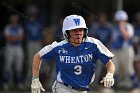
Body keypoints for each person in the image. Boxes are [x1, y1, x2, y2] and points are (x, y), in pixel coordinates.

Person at [31, 15, 115, 93]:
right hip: (63, 88)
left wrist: (110, 74)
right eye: (74, 30)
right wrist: (35, 79)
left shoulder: (94, 44)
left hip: (83, 89)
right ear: (66, 32)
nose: (78, 33)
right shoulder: (58, 47)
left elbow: (109, 63)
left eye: (81, 29)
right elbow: (37, 56)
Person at [112, 10, 135, 88]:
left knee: (128, 69)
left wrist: (122, 28)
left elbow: (127, 37)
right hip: (116, 50)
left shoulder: (128, 26)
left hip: (126, 50)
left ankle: (136, 86)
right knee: (114, 68)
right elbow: (113, 40)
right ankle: (112, 87)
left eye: (122, 20)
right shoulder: (114, 27)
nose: (120, 22)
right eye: (119, 20)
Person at [3, 14, 24, 90]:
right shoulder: (8, 27)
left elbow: (21, 38)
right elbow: (8, 38)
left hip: (18, 47)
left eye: (16, 19)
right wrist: (16, 37)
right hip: (10, 47)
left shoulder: (19, 27)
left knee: (19, 65)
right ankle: (6, 83)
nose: (15, 21)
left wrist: (13, 37)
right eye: (14, 19)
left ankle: (19, 83)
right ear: (11, 20)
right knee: (8, 65)